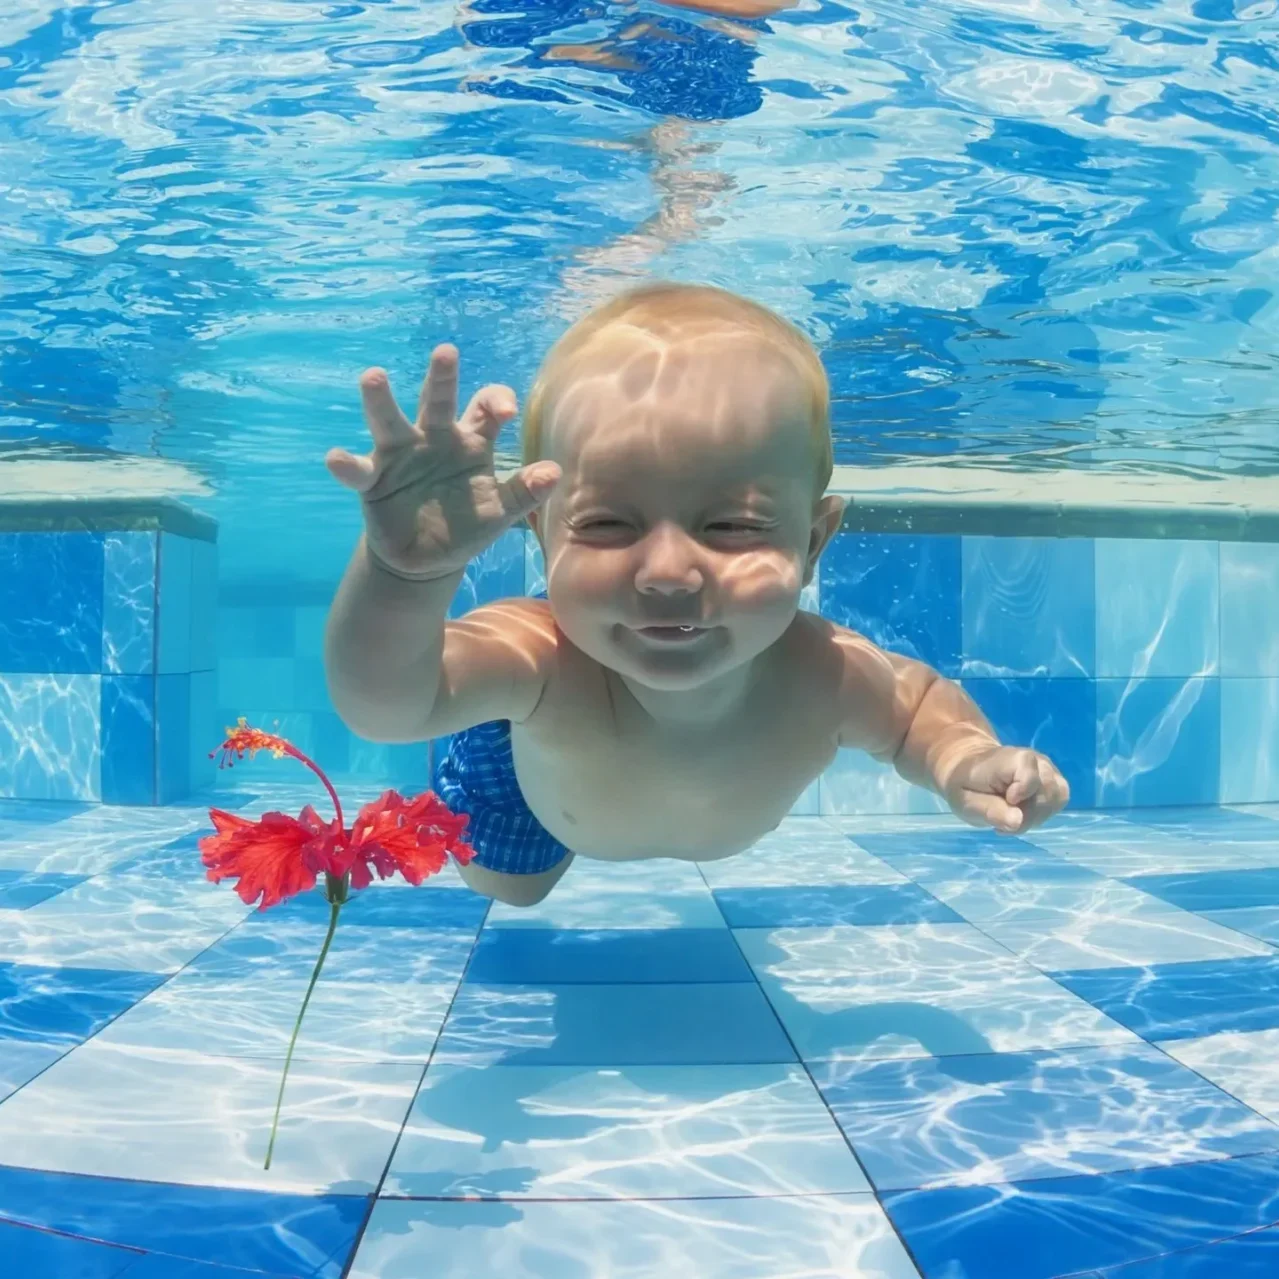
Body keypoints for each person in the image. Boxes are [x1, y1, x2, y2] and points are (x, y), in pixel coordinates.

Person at [324, 282, 1069, 907]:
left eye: (732, 525)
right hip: (530, 784)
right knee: (513, 890)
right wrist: (407, 576)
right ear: (542, 538)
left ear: (811, 543)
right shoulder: (537, 657)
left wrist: (964, 760)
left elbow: (916, 714)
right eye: (609, 522)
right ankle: (482, 731)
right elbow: (387, 707)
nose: (668, 573)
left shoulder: (825, 671)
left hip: (606, 795)